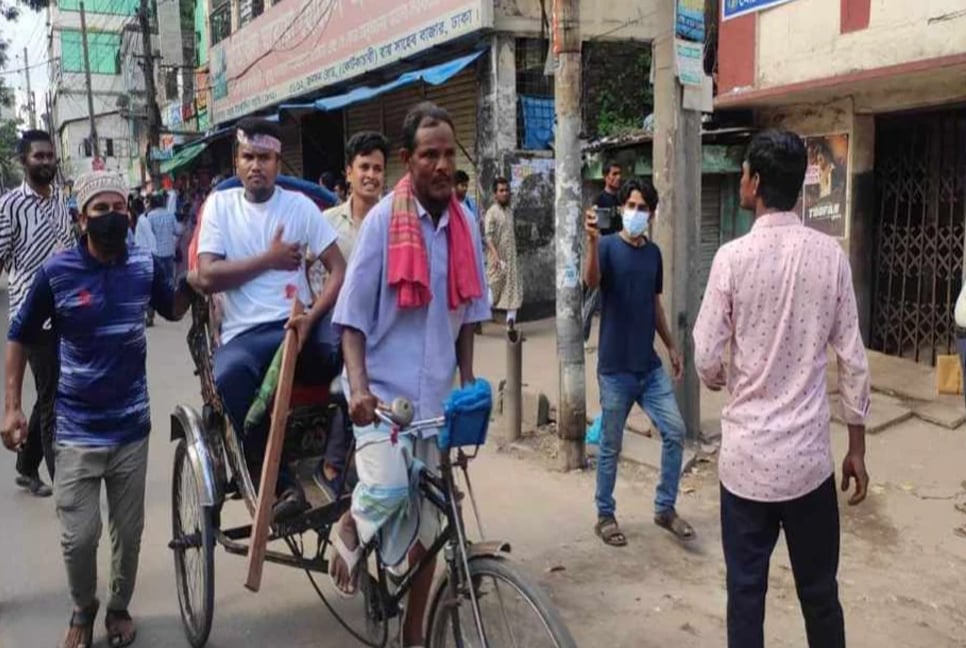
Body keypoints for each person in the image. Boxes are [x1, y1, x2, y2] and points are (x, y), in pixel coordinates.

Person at [692, 130, 871, 648]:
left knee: (745, 596)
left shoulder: (731, 258)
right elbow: (853, 360)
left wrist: (719, 377)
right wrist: (856, 449)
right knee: (819, 595)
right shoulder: (830, 257)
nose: (742, 179)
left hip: (746, 466)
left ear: (758, 182)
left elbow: (705, 355)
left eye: (745, 172)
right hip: (808, 466)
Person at [2, 171, 192, 648]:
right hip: (76, 430)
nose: (112, 218)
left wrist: (203, 269)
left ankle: (119, 607)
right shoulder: (57, 272)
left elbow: (172, 307)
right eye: (100, 210)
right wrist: (11, 407)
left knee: (129, 535)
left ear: (129, 212)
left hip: (131, 429)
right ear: (82, 217)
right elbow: (19, 335)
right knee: (79, 539)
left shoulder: (145, 267)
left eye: (118, 208)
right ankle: (84, 606)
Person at [328, 102, 489, 648]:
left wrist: (467, 384)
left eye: (449, 154)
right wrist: (359, 388)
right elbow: (350, 319)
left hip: (437, 400)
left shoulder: (465, 223)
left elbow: (467, 313)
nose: (442, 165)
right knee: (391, 487)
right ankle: (352, 523)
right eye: (430, 155)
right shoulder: (379, 225)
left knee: (432, 532)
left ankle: (414, 636)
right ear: (408, 160)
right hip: (382, 399)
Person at [195, 118, 347, 519]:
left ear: (278, 161)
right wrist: (270, 260)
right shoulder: (220, 206)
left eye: (264, 157)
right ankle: (278, 484)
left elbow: (339, 270)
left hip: (299, 325)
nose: (255, 165)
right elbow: (208, 275)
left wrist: (313, 318)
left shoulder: (297, 206)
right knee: (229, 378)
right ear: (237, 161)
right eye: (248, 157)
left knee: (354, 346)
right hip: (246, 335)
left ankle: (339, 461)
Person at [582, 177, 693, 548]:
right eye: (630, 205)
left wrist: (672, 346)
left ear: (651, 213)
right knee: (611, 445)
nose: (635, 212)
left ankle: (665, 508)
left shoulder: (654, 254)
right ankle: (605, 514)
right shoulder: (609, 246)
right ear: (622, 209)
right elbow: (592, 280)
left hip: (648, 368)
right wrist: (592, 243)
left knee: (675, 431)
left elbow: (655, 305)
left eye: (642, 207)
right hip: (615, 369)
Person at [312, 130, 390, 494]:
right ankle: (334, 461)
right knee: (354, 368)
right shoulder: (327, 222)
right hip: (337, 322)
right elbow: (312, 276)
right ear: (349, 172)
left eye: (377, 168)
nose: (371, 175)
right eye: (364, 167)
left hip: (384, 322)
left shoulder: (395, 221)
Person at [0, 129, 74, 493]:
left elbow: (72, 249)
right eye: (38, 156)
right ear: (23, 160)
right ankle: (66, 488)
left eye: (49, 155)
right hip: (31, 315)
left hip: (65, 311)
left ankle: (27, 466)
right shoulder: (9, 206)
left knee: (54, 390)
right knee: (53, 399)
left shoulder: (61, 200)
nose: (45, 162)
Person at [582, 162, 623, 342]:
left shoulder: (622, 199)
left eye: (619, 173)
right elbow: (594, 228)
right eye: (614, 174)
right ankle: (581, 337)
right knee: (591, 298)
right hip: (603, 253)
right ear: (606, 177)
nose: (617, 177)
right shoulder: (600, 200)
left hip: (619, 253)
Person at [484, 176, 523, 327]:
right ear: (495, 194)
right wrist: (497, 258)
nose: (505, 193)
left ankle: (510, 326)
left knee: (514, 292)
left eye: (507, 190)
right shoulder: (491, 213)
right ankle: (474, 320)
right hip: (497, 260)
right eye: (501, 191)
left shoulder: (510, 212)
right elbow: (488, 238)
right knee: (493, 293)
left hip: (511, 259)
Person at [143, 192, 182, 326]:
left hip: (155, 254)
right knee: (169, 280)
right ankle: (173, 307)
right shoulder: (170, 215)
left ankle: (150, 314)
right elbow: (178, 231)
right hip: (169, 252)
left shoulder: (150, 217)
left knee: (153, 283)